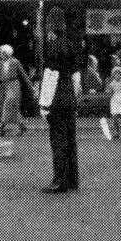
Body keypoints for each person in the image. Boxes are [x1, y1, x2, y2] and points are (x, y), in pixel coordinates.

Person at [41, 12, 80, 193]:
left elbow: (50, 76)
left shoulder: (52, 47)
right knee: (71, 139)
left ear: (51, 29)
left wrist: (44, 104)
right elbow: (76, 76)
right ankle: (72, 179)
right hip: (70, 97)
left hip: (56, 99)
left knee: (58, 141)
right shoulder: (70, 45)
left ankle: (59, 181)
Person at [0, 44, 32, 137]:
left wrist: (30, 87)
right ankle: (22, 126)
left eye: (2, 52)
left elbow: (23, 74)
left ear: (6, 53)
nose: (0, 54)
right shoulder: (0, 62)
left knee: (8, 104)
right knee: (12, 108)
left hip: (13, 85)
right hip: (4, 87)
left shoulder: (15, 62)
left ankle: (1, 127)